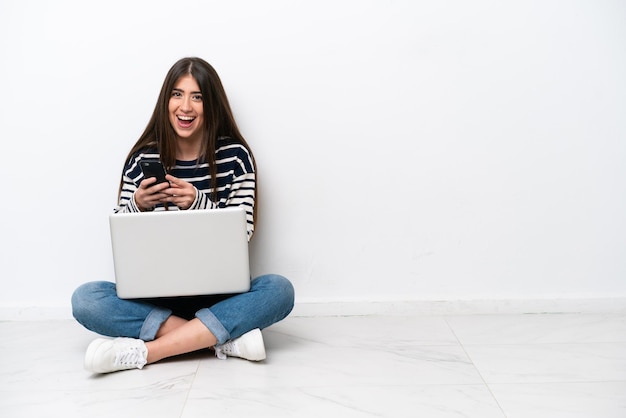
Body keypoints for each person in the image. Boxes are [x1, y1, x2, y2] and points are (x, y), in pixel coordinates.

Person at [71, 57, 295, 374]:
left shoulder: (235, 156)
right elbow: (121, 232)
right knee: (86, 299)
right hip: (158, 297)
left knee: (280, 290)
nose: (185, 106)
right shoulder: (143, 157)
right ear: (166, 101)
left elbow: (243, 229)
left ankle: (146, 352)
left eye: (197, 96)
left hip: (220, 296)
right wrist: (138, 203)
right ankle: (221, 339)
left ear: (211, 104)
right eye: (177, 94)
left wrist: (197, 202)